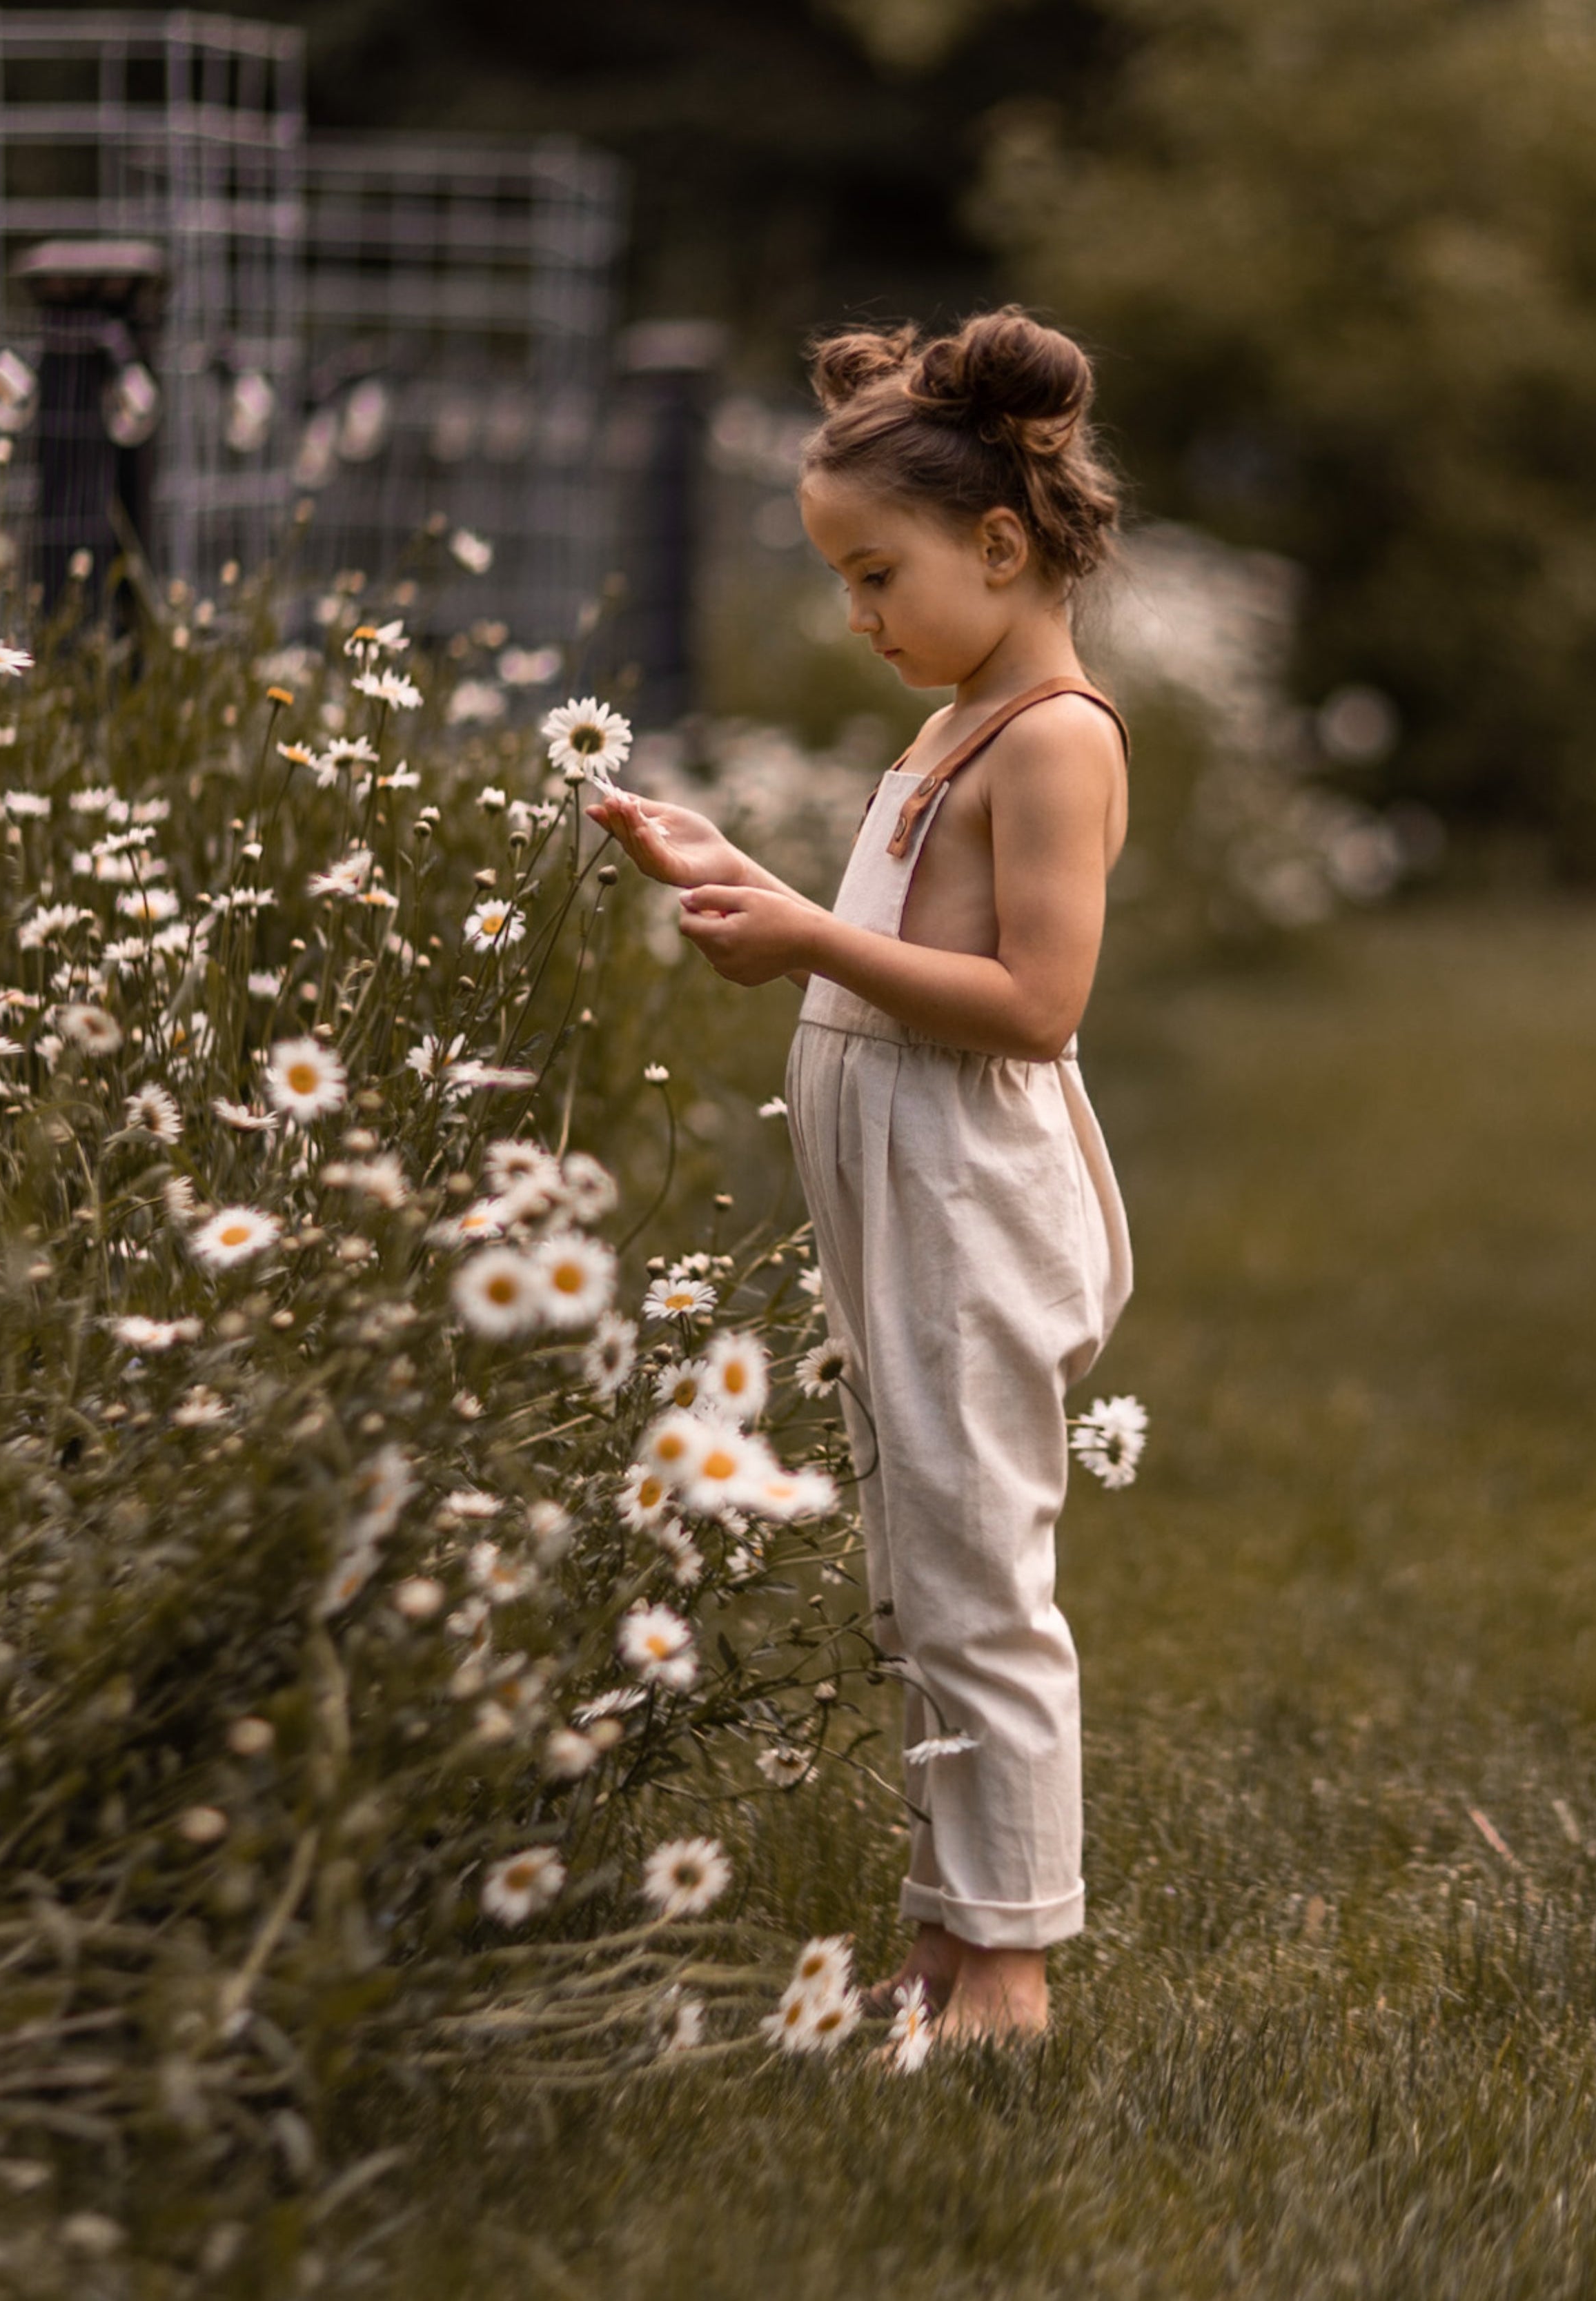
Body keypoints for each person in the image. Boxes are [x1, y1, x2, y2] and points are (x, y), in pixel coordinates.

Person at [589, 306, 1132, 2043]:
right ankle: (950, 1934)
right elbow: (890, 943)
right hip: (904, 1202)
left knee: (979, 1575)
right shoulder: (956, 722)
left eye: (876, 574)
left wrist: (808, 935)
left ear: (998, 542)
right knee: (918, 1571)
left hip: (972, 1198)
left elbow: (1036, 1006)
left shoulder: (1053, 736)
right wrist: (744, 872)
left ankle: (1015, 1974)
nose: (858, 615)